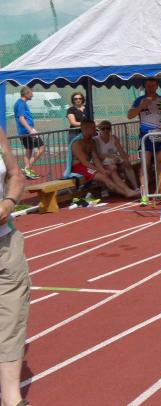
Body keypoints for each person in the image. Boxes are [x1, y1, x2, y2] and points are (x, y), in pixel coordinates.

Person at [0, 127, 29, 406]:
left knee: (12, 317)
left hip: (6, 244)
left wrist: (8, 203)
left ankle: (11, 398)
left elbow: (15, 175)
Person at [127, 78, 161, 205]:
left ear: (157, 86)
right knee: (145, 165)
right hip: (145, 136)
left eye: (153, 85)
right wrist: (141, 106)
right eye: (148, 85)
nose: (151, 88)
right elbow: (129, 115)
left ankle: (160, 192)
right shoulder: (139, 100)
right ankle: (144, 195)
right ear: (145, 87)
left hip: (160, 136)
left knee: (160, 164)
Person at [72, 120, 138, 198]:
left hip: (88, 165)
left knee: (111, 171)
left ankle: (128, 190)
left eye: (95, 127)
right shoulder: (77, 143)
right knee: (104, 176)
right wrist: (100, 170)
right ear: (85, 129)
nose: (95, 129)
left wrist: (102, 170)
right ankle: (125, 193)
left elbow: (95, 158)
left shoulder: (91, 141)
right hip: (79, 167)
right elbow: (84, 162)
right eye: (93, 128)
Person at [94, 120, 139, 192]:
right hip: (103, 163)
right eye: (103, 128)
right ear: (99, 130)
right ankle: (123, 190)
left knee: (127, 165)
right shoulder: (96, 140)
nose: (106, 130)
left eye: (108, 128)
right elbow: (97, 155)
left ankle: (136, 187)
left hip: (115, 160)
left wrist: (126, 160)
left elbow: (121, 151)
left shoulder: (114, 138)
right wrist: (110, 157)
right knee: (113, 168)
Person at [13, 86, 45, 180]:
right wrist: (30, 130)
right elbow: (21, 118)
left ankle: (27, 170)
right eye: (31, 93)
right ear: (26, 94)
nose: (32, 95)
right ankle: (27, 168)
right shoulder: (21, 103)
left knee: (29, 150)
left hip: (26, 131)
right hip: (27, 131)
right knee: (41, 147)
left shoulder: (21, 103)